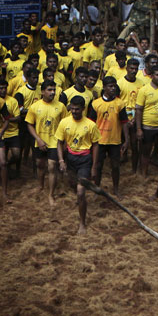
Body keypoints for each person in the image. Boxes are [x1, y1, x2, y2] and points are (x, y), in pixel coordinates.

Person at [56, 96, 100, 235]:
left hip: (85, 159)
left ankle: (82, 223)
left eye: (77, 109)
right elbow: (59, 142)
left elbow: (96, 145)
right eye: (72, 109)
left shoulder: (91, 125)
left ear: (83, 109)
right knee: (73, 185)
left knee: (81, 192)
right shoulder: (64, 122)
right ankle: (80, 200)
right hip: (70, 158)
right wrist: (61, 160)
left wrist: (93, 166)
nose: (74, 111)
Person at [25, 80, 68, 206]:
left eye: (54, 90)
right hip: (40, 141)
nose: (52, 92)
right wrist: (38, 139)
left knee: (51, 166)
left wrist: (64, 142)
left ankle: (51, 195)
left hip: (55, 142)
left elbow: (65, 125)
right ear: (42, 91)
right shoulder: (35, 107)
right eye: (49, 90)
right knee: (40, 164)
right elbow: (29, 124)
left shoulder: (60, 106)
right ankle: (40, 186)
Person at [87, 76, 129, 197]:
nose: (113, 88)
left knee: (115, 166)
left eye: (114, 86)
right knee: (98, 165)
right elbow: (91, 123)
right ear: (104, 87)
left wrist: (126, 140)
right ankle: (96, 189)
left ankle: (116, 189)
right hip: (99, 141)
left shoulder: (119, 103)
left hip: (114, 141)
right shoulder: (96, 104)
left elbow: (124, 122)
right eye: (110, 86)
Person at [117, 58, 144, 173]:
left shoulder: (141, 83)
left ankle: (134, 170)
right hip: (122, 117)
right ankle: (119, 166)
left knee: (134, 144)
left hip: (135, 116)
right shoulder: (119, 83)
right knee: (121, 142)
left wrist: (134, 119)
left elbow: (142, 102)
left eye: (135, 69)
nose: (133, 71)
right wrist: (124, 119)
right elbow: (117, 101)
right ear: (127, 68)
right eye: (131, 68)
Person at [0, 79, 22, 177]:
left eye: (5, 88)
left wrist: (7, 120)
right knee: (2, 158)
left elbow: (18, 118)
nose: (3, 90)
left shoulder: (12, 101)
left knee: (16, 155)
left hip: (13, 132)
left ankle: (9, 165)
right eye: (1, 88)